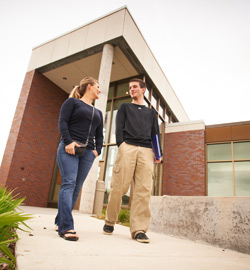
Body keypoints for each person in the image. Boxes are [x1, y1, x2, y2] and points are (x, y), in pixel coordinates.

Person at [103, 78, 162, 243]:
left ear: (143, 90)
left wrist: (158, 153)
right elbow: (118, 128)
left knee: (143, 191)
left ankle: (139, 230)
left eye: (135, 87)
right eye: (130, 87)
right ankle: (110, 221)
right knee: (118, 187)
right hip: (127, 146)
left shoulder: (151, 113)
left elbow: (155, 134)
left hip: (146, 151)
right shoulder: (124, 107)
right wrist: (122, 145)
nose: (131, 89)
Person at [55, 76, 103, 241]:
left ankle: (59, 220)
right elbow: (62, 122)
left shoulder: (98, 112)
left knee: (77, 187)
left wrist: (97, 151)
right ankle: (66, 227)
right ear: (89, 86)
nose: (99, 89)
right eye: (98, 86)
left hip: (88, 153)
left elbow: (99, 134)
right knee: (69, 183)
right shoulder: (72, 103)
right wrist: (68, 141)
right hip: (70, 148)